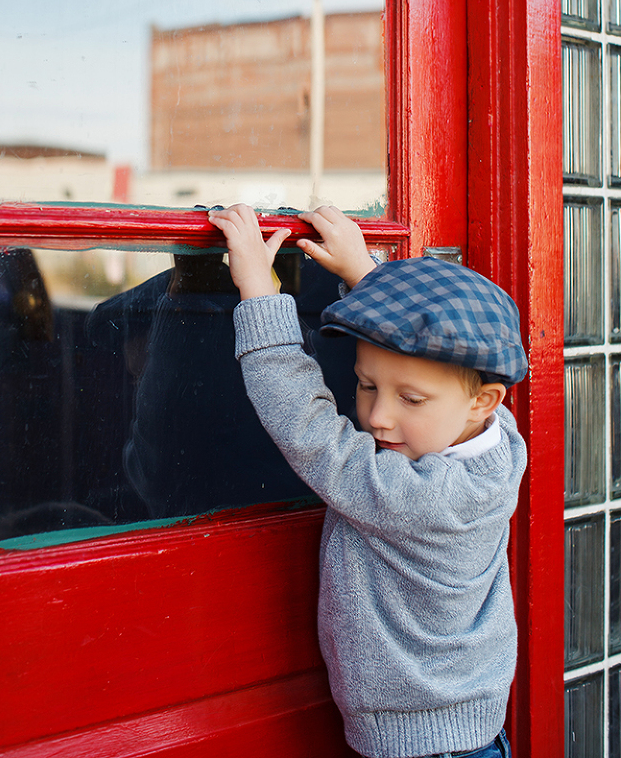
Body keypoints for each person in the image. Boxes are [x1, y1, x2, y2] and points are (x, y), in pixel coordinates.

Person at [207, 203, 528, 758]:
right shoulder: (501, 442)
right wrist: (367, 277)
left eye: (410, 399)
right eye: (365, 385)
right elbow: (434, 368)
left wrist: (261, 295)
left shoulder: (426, 497)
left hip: (424, 747)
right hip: (460, 730)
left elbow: (309, 432)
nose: (378, 417)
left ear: (484, 400)